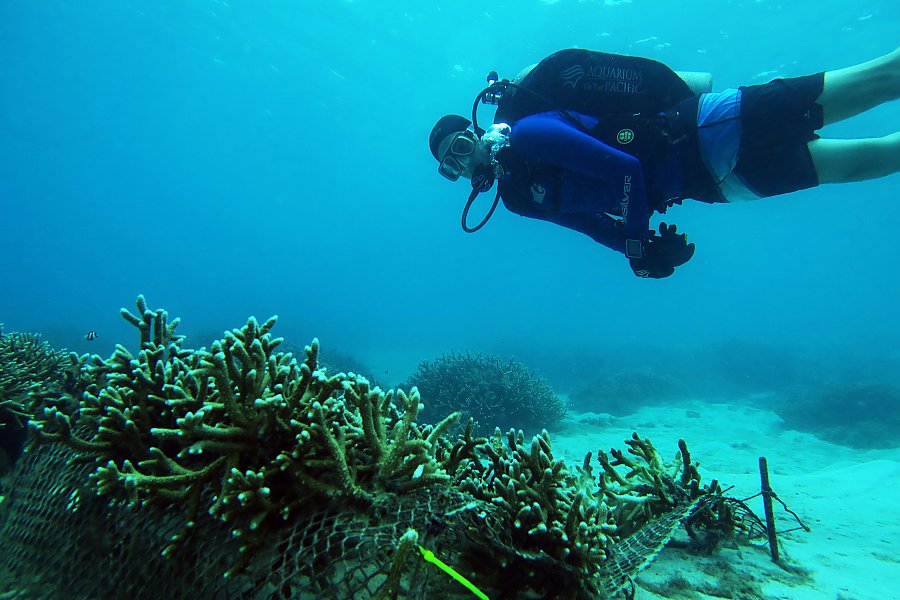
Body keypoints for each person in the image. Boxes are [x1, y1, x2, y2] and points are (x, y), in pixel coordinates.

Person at [429, 47, 900, 278]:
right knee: (863, 163)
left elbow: (627, 171)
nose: (466, 167)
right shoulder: (516, 199)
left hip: (705, 128)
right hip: (711, 184)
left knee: (872, 82)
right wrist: (642, 254)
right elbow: (591, 225)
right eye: (453, 167)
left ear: (477, 135)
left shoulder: (529, 134)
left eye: (463, 149)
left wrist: (634, 245)